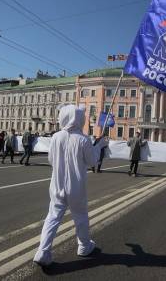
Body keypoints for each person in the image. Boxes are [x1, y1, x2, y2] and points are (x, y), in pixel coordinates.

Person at [33, 105, 98, 267]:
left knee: (53, 217)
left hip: (57, 184)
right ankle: (84, 246)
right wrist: (98, 146)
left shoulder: (56, 137)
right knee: (80, 216)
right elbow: (93, 162)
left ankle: (43, 251)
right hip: (76, 186)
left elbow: (50, 160)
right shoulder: (84, 139)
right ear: (80, 119)